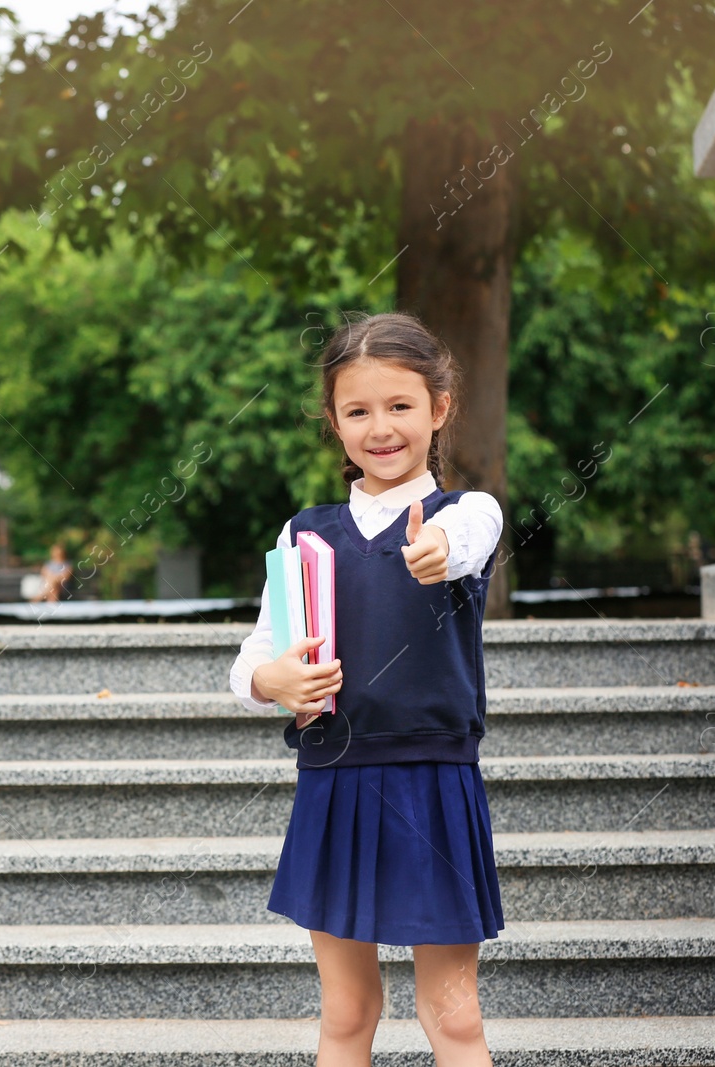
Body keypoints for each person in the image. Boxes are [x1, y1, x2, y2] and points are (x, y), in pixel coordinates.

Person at [227, 311, 505, 1067]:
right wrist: (270, 678)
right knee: (347, 1013)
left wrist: (439, 549)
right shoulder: (304, 535)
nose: (380, 427)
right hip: (334, 780)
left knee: (454, 1019)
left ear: (439, 408)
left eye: (400, 406)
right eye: (358, 411)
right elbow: (254, 652)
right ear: (335, 422)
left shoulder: (466, 513)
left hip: (434, 783)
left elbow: (468, 544)